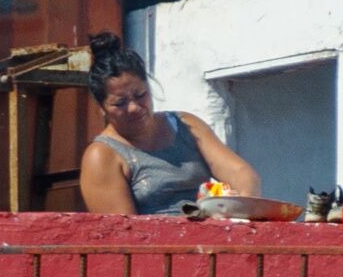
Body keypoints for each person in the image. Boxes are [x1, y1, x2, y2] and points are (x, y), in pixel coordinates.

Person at [79, 45, 261, 215]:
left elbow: (241, 172)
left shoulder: (186, 125)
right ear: (101, 108)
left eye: (140, 95)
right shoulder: (102, 156)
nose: (134, 107)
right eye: (120, 103)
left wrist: (242, 209)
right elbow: (124, 234)